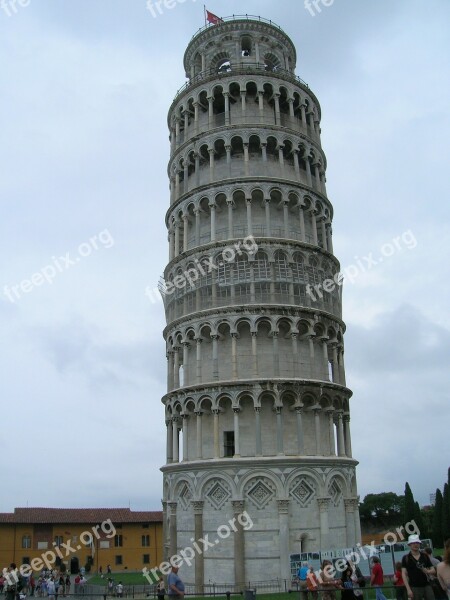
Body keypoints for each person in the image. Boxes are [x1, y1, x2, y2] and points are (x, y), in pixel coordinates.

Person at [401, 534, 435, 600]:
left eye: (417, 543)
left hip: (427, 585)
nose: (415, 545)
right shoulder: (406, 558)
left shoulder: (425, 556)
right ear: (409, 545)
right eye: (413, 543)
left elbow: (433, 570)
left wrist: (427, 571)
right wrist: (408, 589)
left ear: (419, 544)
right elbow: (404, 574)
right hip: (414, 587)